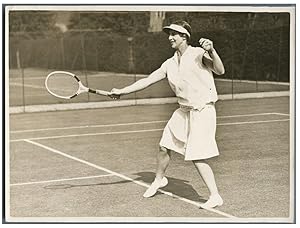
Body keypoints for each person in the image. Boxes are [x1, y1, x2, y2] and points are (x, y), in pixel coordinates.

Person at [109, 21, 225, 209]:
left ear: (184, 36)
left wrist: (212, 51)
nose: (170, 37)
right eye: (169, 34)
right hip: (184, 110)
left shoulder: (198, 53)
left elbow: (220, 70)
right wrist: (123, 91)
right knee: (164, 145)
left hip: (203, 111)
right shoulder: (169, 63)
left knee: (197, 156)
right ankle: (159, 180)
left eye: (174, 34)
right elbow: (148, 80)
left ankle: (215, 196)